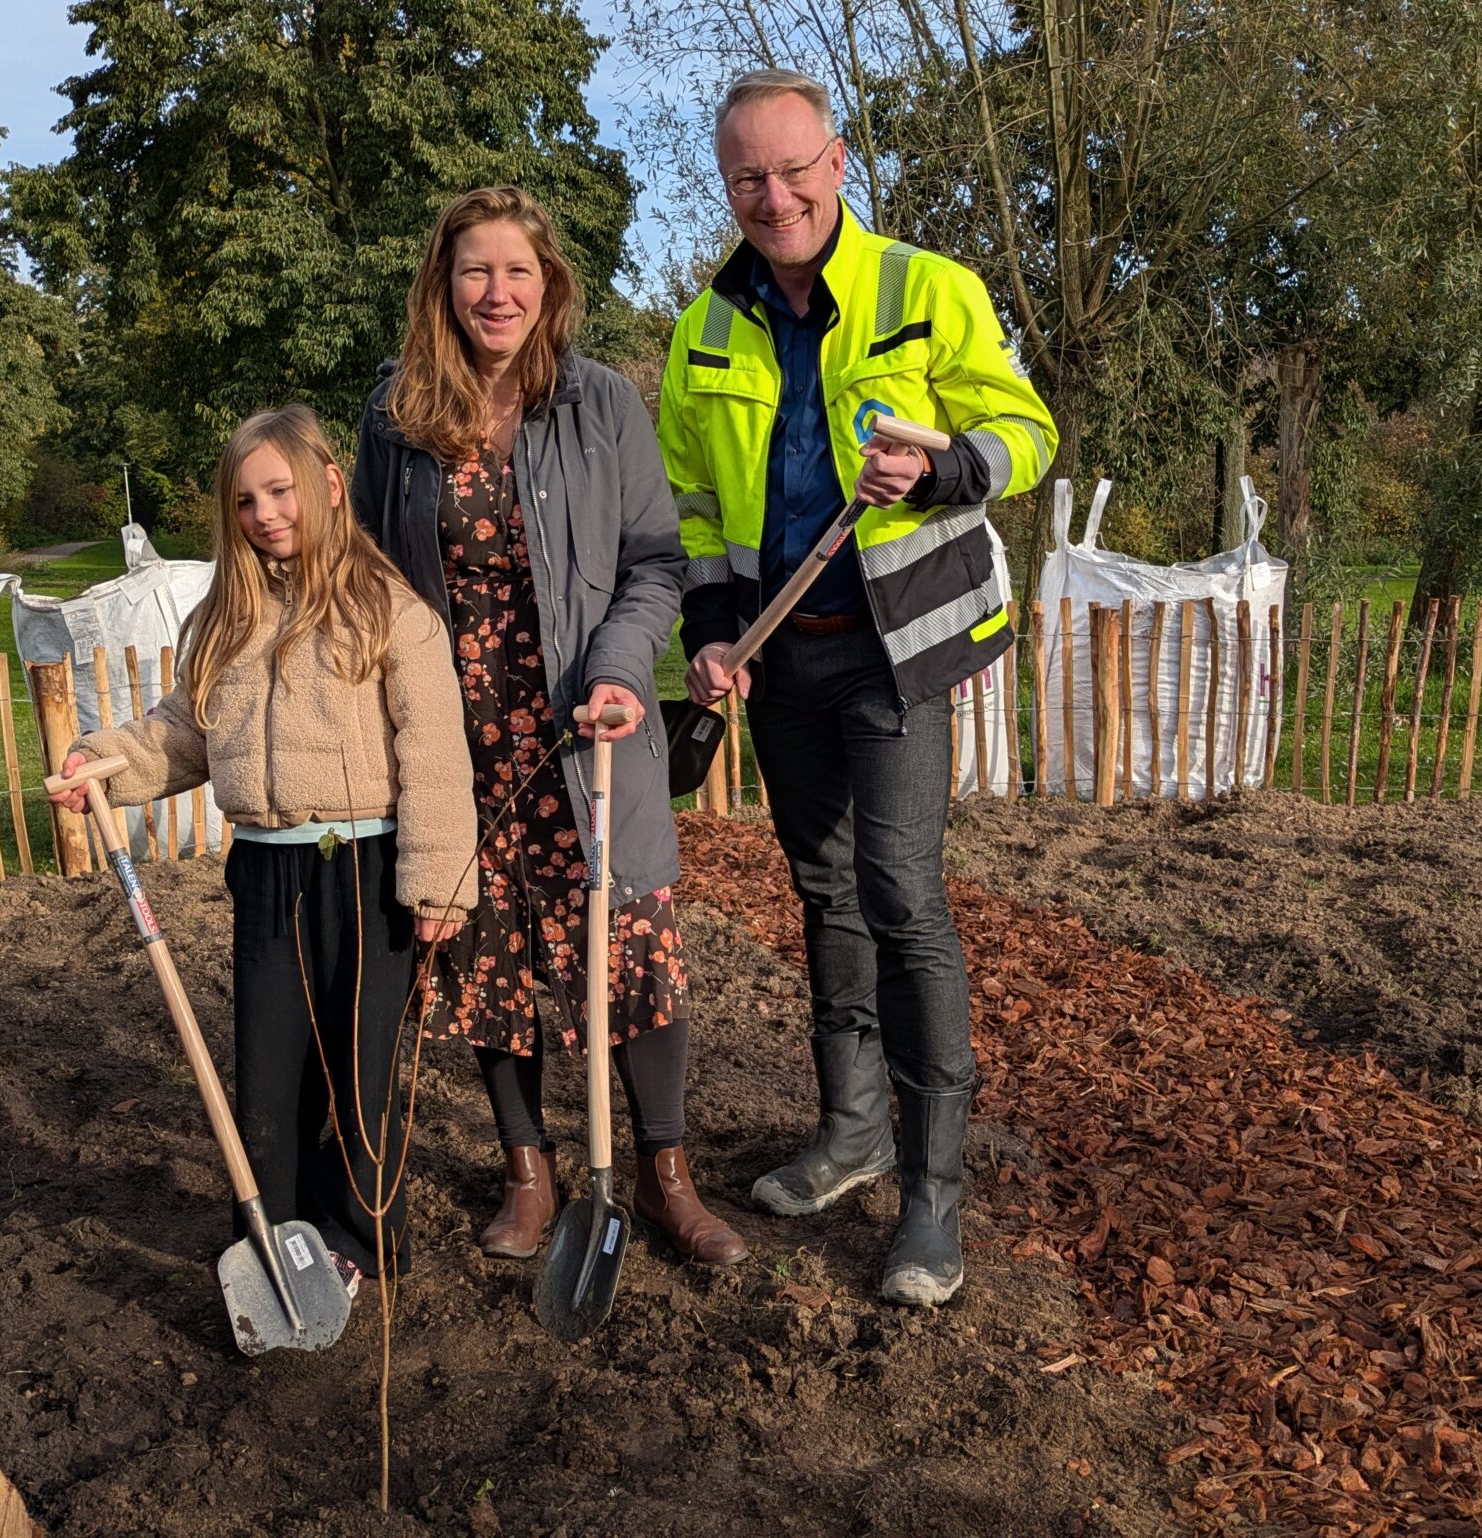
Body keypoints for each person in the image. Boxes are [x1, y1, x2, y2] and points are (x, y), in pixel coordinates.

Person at [658, 70, 1058, 1305]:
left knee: (896, 889)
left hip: (897, 641)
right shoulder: (702, 332)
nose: (771, 197)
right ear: (724, 186)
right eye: (745, 178)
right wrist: (715, 634)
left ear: (836, 162)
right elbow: (692, 508)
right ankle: (850, 1131)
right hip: (781, 651)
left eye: (790, 169)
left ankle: (932, 1190)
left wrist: (942, 469)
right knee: (819, 887)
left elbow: (1027, 435)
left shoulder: (928, 290)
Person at [352, 186, 746, 1267]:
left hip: (591, 725)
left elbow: (654, 562)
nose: (497, 291)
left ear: (549, 285)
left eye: (517, 271)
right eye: (475, 270)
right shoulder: (393, 418)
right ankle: (526, 1168)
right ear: (443, 283)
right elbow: (370, 577)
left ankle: (666, 1173)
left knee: (633, 947)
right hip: (460, 735)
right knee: (487, 954)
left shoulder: (600, 404)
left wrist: (622, 671)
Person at [51, 405, 478, 1297]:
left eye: (280, 491)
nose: (265, 514)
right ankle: (274, 1236)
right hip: (266, 870)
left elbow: (433, 753)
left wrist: (439, 881)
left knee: (359, 1077)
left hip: (367, 873)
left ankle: (356, 1245)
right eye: (245, 501)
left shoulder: (390, 611)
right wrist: (104, 761)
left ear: (328, 484)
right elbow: (184, 733)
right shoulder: (224, 620)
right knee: (271, 1075)